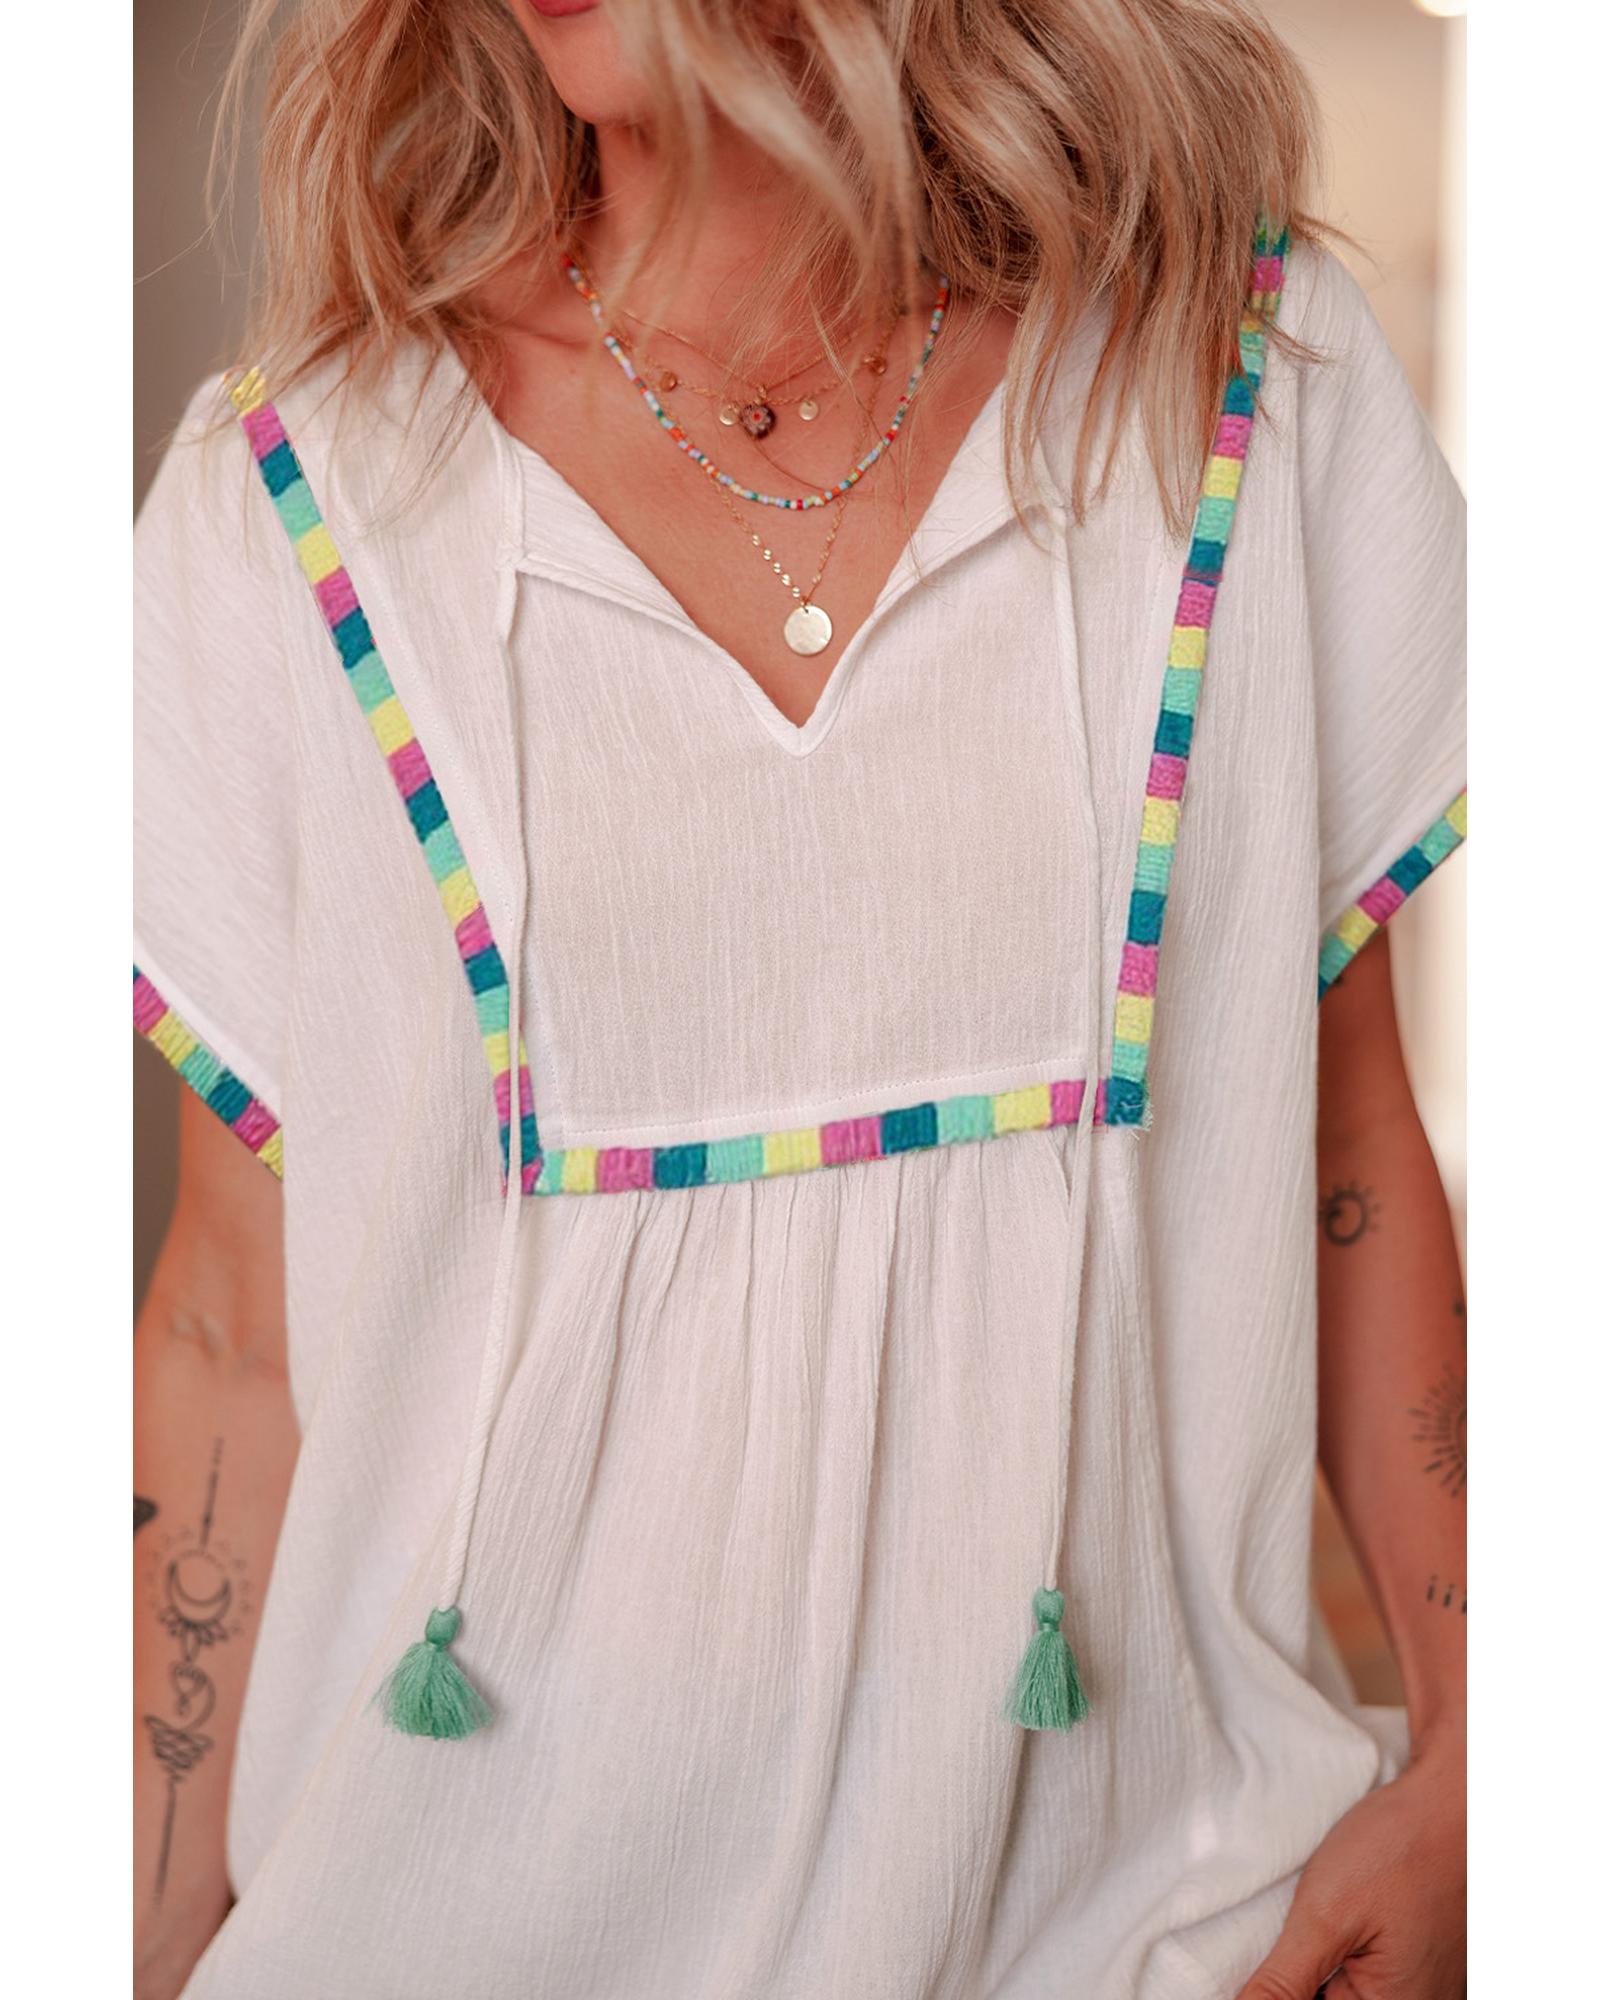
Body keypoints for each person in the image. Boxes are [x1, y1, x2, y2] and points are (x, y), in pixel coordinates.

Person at [132, 2, 1467, 1995]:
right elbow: (228, 1325)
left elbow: (1344, 1144)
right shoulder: (288, 500)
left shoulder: (1242, 389)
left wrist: (1495, 1760)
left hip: (1151, 1937)